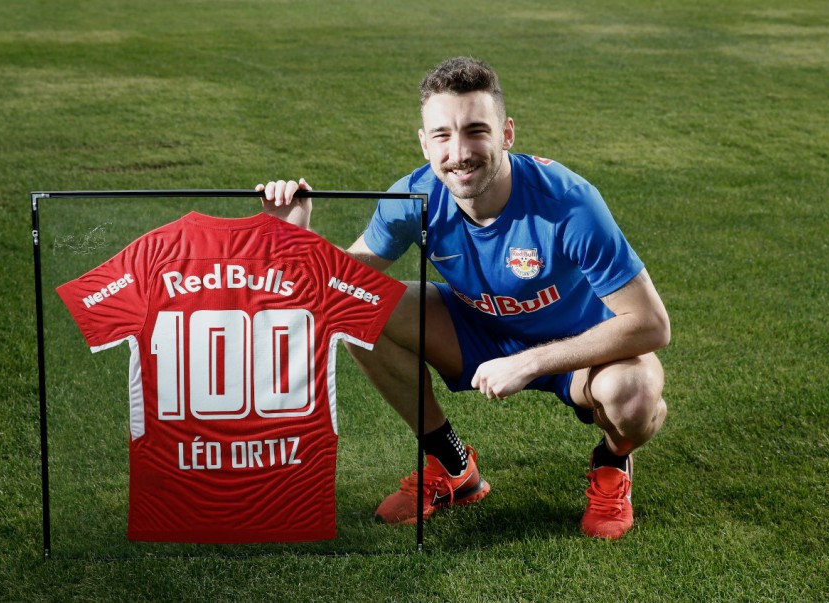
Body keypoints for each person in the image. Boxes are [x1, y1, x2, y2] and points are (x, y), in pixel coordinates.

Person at [257, 56, 670, 540]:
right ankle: (453, 467)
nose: (459, 152)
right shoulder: (414, 197)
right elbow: (339, 286)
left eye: (476, 131)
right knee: (358, 311)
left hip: (581, 349)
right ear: (424, 142)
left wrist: (531, 362)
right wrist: (292, 236)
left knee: (635, 394)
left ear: (507, 134)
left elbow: (651, 324)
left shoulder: (569, 203)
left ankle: (612, 462)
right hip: (477, 330)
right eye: (442, 135)